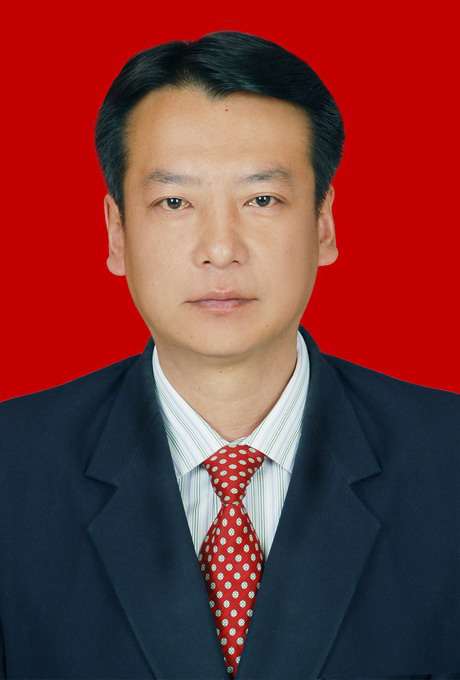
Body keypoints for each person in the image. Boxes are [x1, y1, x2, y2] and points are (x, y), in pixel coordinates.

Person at [0, 29, 458, 680]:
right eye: (175, 202)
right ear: (117, 232)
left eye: (261, 200)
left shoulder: (447, 461)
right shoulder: (12, 470)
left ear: (323, 224)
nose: (220, 248)